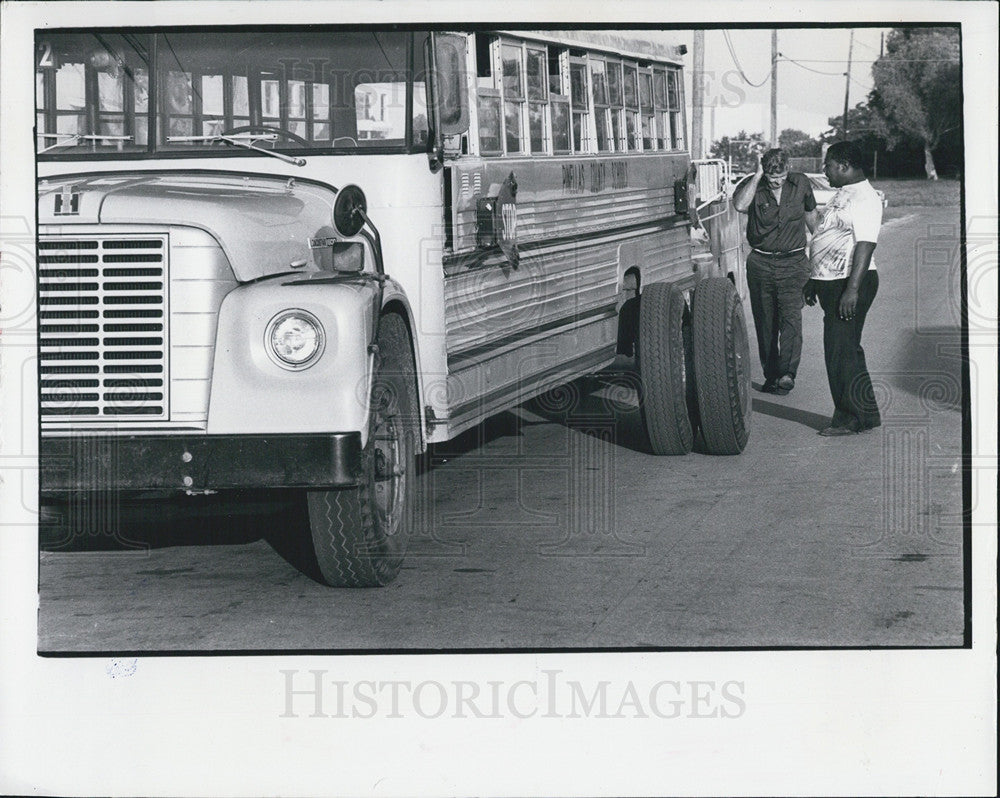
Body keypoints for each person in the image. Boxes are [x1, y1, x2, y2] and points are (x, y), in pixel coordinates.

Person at [804, 140, 883, 436]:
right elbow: (828, 235)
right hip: (831, 281)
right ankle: (868, 413)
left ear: (844, 166)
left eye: (828, 165)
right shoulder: (843, 194)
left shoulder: (865, 198)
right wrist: (814, 279)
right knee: (848, 349)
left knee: (839, 351)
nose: (825, 171)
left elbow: (865, 244)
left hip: (850, 283)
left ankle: (849, 418)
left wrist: (852, 289)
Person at [733, 147, 818, 395]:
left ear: (788, 169)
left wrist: (820, 253)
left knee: (791, 319)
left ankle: (787, 374)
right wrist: (758, 176)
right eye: (772, 179)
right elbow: (739, 205)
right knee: (766, 322)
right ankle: (772, 375)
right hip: (761, 263)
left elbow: (812, 218)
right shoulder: (755, 185)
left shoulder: (801, 183)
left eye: (779, 178)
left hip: (794, 264)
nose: (776, 183)